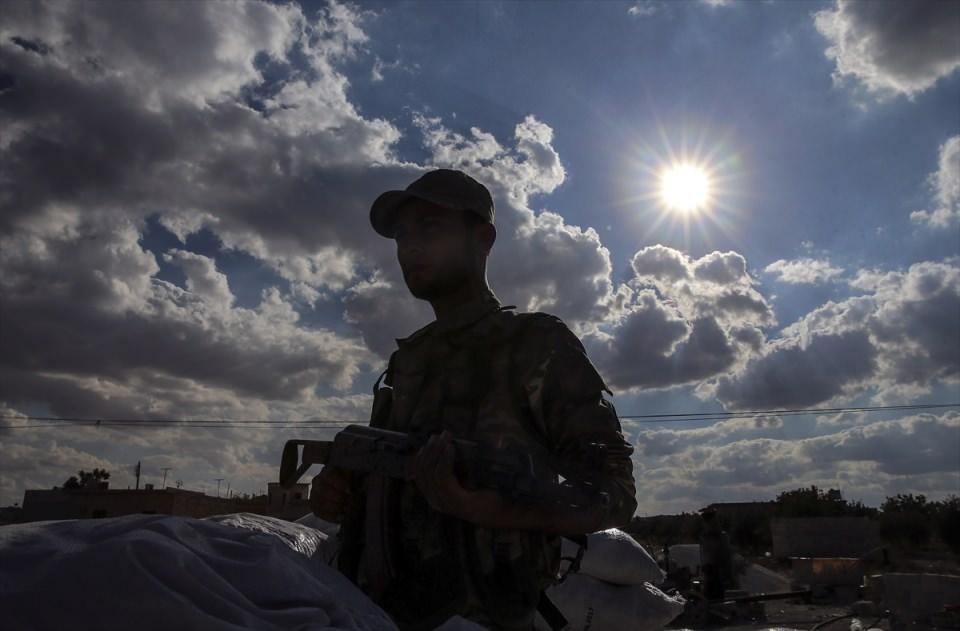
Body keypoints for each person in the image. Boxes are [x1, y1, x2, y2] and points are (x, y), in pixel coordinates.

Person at [311, 169, 637, 630]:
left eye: (430, 228)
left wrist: (491, 510)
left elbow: (615, 493)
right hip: (379, 614)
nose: (409, 247)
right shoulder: (408, 360)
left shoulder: (535, 345)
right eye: (402, 235)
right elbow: (387, 485)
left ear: (483, 239)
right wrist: (339, 493)